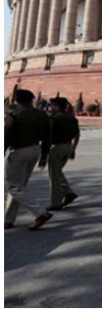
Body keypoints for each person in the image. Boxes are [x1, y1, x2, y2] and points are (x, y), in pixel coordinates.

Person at [4, 89, 53, 230]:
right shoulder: (42, 114)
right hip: (35, 150)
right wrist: (44, 156)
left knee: (13, 187)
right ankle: (8, 219)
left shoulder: (15, 115)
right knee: (19, 186)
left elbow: (6, 136)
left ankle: (40, 212)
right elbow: (47, 136)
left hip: (19, 151)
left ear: (17, 100)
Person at [43, 97, 80, 211]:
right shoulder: (72, 118)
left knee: (54, 176)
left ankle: (56, 203)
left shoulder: (54, 119)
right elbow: (77, 135)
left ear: (57, 107)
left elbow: (47, 137)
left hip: (56, 147)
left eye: (52, 105)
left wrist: (43, 155)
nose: (50, 108)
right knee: (57, 171)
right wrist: (73, 149)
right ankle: (68, 192)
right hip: (67, 146)